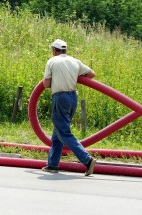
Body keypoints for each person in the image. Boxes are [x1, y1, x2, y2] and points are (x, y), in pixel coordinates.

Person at [42, 39, 96, 176]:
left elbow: (46, 84)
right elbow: (91, 74)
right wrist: (74, 76)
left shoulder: (52, 61)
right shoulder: (74, 61)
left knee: (64, 133)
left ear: (54, 50)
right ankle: (53, 164)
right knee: (58, 131)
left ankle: (87, 160)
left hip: (60, 98)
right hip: (73, 98)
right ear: (65, 50)